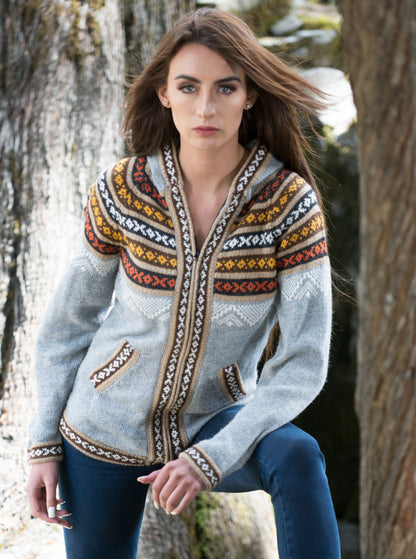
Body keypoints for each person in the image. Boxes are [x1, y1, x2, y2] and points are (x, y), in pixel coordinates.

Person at [26, 7, 341, 559]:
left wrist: (215, 454)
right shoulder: (124, 190)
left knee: (297, 456)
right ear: (165, 94)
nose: (206, 107)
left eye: (225, 88)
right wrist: (43, 442)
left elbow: (303, 361)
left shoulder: (288, 206)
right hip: (103, 425)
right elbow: (68, 323)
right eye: (189, 87)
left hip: (218, 422)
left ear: (250, 96)